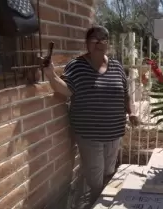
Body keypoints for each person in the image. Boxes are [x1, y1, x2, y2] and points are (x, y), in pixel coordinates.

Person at [41, 25, 140, 207]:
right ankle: (97, 204)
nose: (100, 43)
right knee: (95, 180)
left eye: (104, 39)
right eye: (95, 39)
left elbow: (125, 94)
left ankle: (107, 204)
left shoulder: (116, 66)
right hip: (90, 135)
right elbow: (66, 90)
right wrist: (51, 75)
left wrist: (132, 112)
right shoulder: (77, 66)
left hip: (114, 132)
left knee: (110, 173)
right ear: (87, 43)